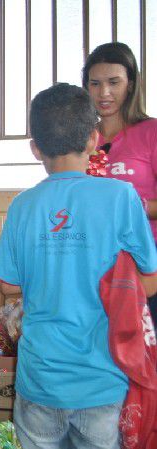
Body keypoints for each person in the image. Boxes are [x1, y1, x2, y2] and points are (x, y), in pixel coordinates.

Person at [0, 83, 157, 449]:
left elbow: (7, 285)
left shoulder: (22, 206)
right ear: (94, 139)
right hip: (102, 380)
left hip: (40, 379)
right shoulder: (122, 198)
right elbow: (148, 279)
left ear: (36, 148)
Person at [83, 41, 157, 321]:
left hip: (146, 270)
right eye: (95, 83)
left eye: (114, 82)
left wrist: (136, 207)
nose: (104, 93)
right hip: (94, 266)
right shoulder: (83, 139)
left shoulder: (151, 132)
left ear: (131, 83)